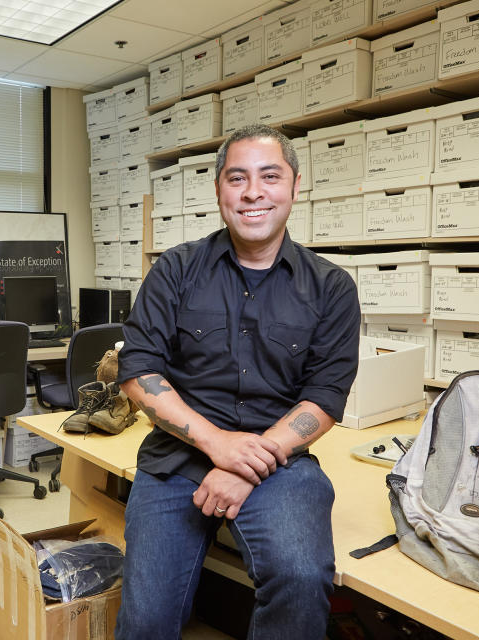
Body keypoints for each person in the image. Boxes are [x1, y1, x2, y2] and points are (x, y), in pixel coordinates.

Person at [114, 123, 361, 639]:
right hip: (177, 455)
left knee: (300, 577)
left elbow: (326, 397)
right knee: (146, 618)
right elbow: (138, 373)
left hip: (280, 463)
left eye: (270, 176)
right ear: (220, 190)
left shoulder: (332, 288)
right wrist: (215, 443)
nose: (253, 192)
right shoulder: (176, 270)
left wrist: (245, 464)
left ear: (295, 186)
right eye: (237, 178)